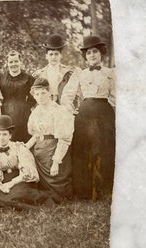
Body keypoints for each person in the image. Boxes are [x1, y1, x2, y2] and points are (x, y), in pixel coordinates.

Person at [60, 35, 115, 200]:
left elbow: (115, 96)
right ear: (85, 56)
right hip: (85, 115)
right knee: (85, 150)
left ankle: (105, 189)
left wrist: (113, 113)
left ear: (101, 54)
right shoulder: (79, 74)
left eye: (95, 52)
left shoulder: (110, 73)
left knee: (104, 149)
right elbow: (66, 96)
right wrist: (73, 110)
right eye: (89, 52)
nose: (92, 55)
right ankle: (84, 190)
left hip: (104, 113)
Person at [0, 115, 56, 209]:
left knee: (18, 194)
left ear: (10, 135)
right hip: (4, 179)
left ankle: (37, 199)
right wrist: (0, 186)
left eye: (4, 134)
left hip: (20, 179)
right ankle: (14, 203)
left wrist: (11, 183)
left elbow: (28, 171)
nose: (1, 138)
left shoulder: (19, 147)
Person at [26, 78, 74, 203]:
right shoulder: (36, 111)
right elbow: (35, 134)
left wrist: (56, 162)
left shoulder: (58, 111)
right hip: (39, 151)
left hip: (54, 150)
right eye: (37, 94)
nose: (40, 97)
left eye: (43, 93)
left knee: (60, 191)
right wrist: (25, 147)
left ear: (49, 93)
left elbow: (64, 140)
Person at [0, 50, 36, 143]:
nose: (13, 64)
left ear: (20, 62)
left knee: (23, 141)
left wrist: (26, 106)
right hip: (6, 113)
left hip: (23, 115)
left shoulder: (28, 78)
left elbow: (35, 96)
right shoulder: (1, 78)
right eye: (10, 62)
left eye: (16, 61)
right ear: (7, 63)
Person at [32, 34, 80, 106]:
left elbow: (75, 93)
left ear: (61, 56)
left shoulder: (69, 72)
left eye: (56, 54)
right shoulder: (38, 74)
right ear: (46, 56)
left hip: (63, 106)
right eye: (51, 54)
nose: (53, 57)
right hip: (46, 106)